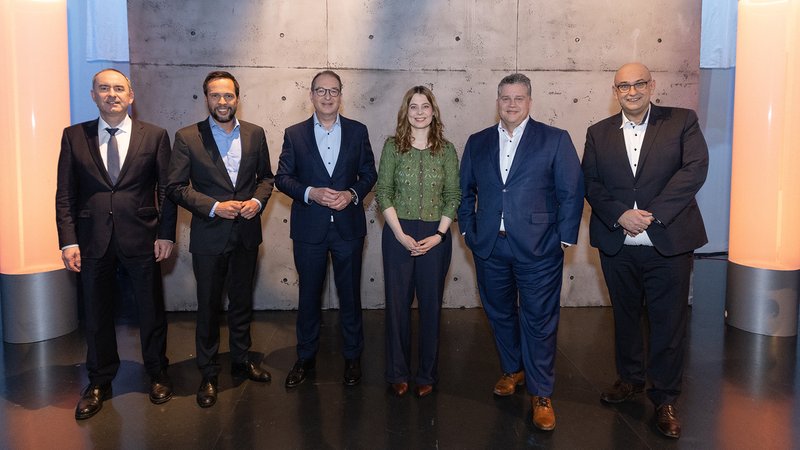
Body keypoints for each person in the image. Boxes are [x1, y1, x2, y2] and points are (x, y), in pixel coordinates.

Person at [582, 62, 708, 439]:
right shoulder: (597, 133)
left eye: (639, 84)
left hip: (667, 242)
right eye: (624, 86)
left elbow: (694, 169)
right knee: (624, 317)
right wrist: (620, 214)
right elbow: (590, 181)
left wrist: (652, 216)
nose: (632, 91)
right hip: (617, 242)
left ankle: (665, 398)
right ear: (615, 90)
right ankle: (630, 379)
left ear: (652, 85)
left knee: (668, 323)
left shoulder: (681, 121)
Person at [458, 73, 584, 430]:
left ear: (530, 101)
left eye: (519, 98)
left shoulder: (555, 140)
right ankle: (513, 370)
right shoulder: (478, 141)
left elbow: (571, 192)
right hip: (490, 247)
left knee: (539, 321)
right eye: (505, 98)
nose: (512, 104)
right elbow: (465, 191)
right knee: (499, 314)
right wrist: (469, 229)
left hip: (540, 247)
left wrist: (563, 238)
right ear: (497, 101)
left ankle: (541, 392)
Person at [56, 68, 177, 420]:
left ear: (131, 96)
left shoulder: (154, 136)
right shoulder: (74, 136)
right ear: (93, 95)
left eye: (119, 88)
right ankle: (99, 380)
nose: (112, 94)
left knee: (150, 310)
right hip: (92, 240)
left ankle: (157, 373)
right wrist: (68, 242)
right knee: (95, 314)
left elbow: (167, 190)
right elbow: (65, 193)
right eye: (104, 88)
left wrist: (166, 233)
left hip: (142, 236)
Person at [167, 71, 274, 408]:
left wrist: (256, 203)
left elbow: (266, 179)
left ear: (237, 98)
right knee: (209, 308)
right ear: (207, 99)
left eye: (229, 96)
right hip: (209, 236)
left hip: (246, 234)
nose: (223, 102)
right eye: (216, 96)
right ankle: (209, 372)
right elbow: (175, 187)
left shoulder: (255, 134)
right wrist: (214, 206)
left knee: (242, 303)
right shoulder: (187, 137)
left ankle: (241, 361)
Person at [275, 70, 377, 388]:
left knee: (350, 297)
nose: (328, 96)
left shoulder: (358, 132)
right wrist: (311, 193)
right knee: (308, 298)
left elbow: (368, 174)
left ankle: (352, 358)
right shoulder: (295, 134)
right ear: (311, 95)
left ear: (341, 95)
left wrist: (352, 194)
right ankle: (305, 358)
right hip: (310, 231)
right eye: (321, 90)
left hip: (348, 229)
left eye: (333, 91)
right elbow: (282, 178)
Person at [375, 86, 460, 398]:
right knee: (397, 307)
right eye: (414, 107)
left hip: (436, 235)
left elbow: (454, 196)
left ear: (434, 111)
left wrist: (439, 235)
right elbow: (383, 191)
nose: (420, 112)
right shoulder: (392, 147)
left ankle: (427, 373)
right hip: (398, 231)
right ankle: (397, 372)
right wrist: (399, 234)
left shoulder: (447, 150)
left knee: (430, 307)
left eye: (426, 106)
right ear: (405, 112)